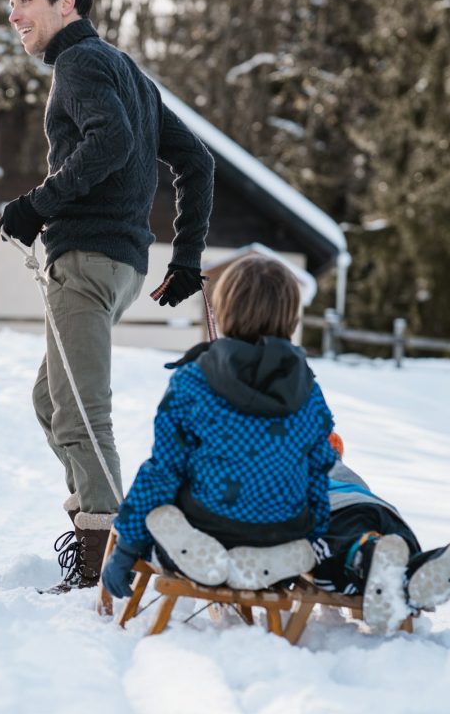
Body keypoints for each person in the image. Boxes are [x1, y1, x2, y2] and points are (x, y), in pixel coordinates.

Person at [0, 0, 215, 593]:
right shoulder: (127, 71)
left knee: (81, 415)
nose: (15, 14)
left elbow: (110, 142)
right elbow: (196, 161)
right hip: (118, 264)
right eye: (11, 3)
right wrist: (187, 258)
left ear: (67, 4)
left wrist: (37, 206)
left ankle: (107, 563)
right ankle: (100, 537)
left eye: (26, 0)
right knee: (52, 400)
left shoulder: (81, 61)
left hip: (89, 261)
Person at [101, 253, 336, 601]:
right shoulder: (308, 390)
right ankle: (275, 556)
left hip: (207, 523)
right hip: (283, 531)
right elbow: (319, 471)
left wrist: (126, 549)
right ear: (290, 315)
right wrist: (314, 531)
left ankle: (195, 550)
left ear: (226, 307)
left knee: (165, 513)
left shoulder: (194, 380)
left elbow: (163, 472)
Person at [307, 431, 450, 634]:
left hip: (335, 510)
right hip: (386, 512)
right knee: (400, 556)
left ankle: (368, 561)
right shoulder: (349, 475)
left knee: (349, 549)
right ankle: (423, 565)